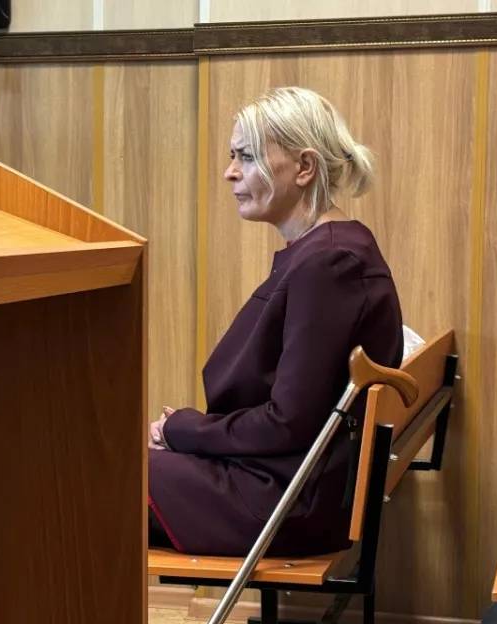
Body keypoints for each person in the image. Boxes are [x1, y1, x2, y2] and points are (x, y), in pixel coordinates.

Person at [147, 86, 404, 558]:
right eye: (233, 156)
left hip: (285, 500)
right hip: (288, 482)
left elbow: (289, 422)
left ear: (304, 167)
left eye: (246, 157)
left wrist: (185, 430)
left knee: (91, 472)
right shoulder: (330, 249)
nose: (230, 171)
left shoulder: (328, 263)